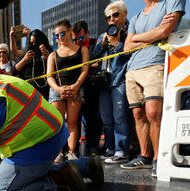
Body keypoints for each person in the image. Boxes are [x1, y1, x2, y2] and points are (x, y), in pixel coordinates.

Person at [123, 0, 186, 177]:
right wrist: (152, 35)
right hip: (132, 68)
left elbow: (165, 31)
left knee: (153, 113)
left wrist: (136, 37)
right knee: (138, 114)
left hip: (155, 64)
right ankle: (145, 156)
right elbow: (127, 47)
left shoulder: (170, 2)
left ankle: (159, 159)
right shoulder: (136, 17)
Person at [91, 1, 131, 164]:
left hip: (119, 79)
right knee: (106, 118)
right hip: (103, 82)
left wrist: (118, 43)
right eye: (108, 18)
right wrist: (102, 44)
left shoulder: (129, 32)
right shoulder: (103, 35)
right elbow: (93, 58)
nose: (112, 20)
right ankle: (110, 149)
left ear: (124, 13)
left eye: (115, 15)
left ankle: (122, 151)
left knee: (119, 116)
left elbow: (129, 56)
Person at [46, 19, 89, 162]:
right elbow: (49, 76)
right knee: (57, 123)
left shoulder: (82, 49)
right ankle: (58, 152)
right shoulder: (53, 55)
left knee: (72, 122)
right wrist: (58, 89)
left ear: (70, 31)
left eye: (62, 34)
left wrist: (76, 86)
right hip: (57, 90)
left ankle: (71, 152)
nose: (59, 38)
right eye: (56, 36)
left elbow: (85, 70)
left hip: (75, 89)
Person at [72, 20, 103, 157]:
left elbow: (99, 63)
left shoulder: (96, 43)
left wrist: (86, 65)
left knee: (92, 119)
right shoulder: (72, 47)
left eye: (80, 38)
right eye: (75, 39)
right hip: (77, 86)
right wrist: (89, 65)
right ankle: (75, 149)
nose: (77, 41)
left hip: (92, 86)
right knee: (75, 119)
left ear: (88, 33)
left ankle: (92, 147)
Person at [11, 27, 52, 100]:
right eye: (31, 43)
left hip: (45, 91)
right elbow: (13, 71)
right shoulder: (26, 54)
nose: (34, 45)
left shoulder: (49, 52)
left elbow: (56, 65)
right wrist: (25, 59)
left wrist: (46, 55)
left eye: (36, 43)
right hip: (28, 92)